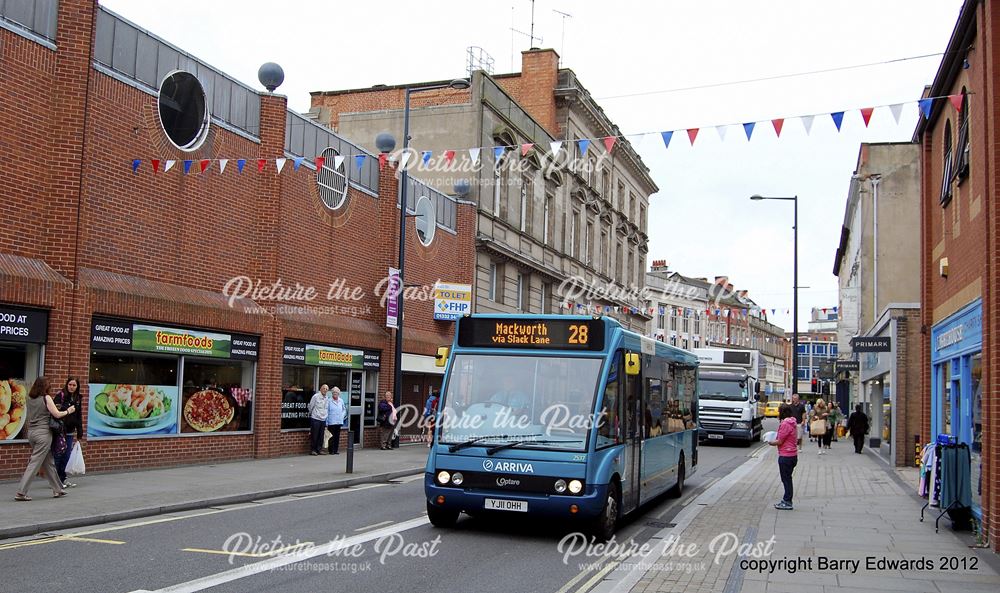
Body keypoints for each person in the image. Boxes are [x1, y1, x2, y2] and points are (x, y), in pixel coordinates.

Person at [15, 377, 74, 501]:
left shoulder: (30, 399)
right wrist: (68, 411)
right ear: (45, 386)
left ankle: (58, 489)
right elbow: (57, 414)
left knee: (49, 462)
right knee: (34, 463)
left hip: (31, 433)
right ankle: (21, 492)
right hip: (43, 434)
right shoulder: (46, 397)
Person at [53, 377, 83, 488]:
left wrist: (80, 431)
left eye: (74, 385)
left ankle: (63, 478)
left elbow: (79, 415)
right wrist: (67, 408)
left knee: (66, 456)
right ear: (67, 385)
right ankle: (56, 480)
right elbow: (55, 411)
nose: (71, 387)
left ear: (77, 387)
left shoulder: (78, 398)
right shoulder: (60, 396)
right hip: (60, 431)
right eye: (70, 384)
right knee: (58, 455)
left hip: (70, 431)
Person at [768, 403, 798, 510]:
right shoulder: (792, 422)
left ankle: (787, 501)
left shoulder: (785, 424)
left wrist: (770, 442)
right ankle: (787, 500)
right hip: (793, 455)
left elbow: (780, 441)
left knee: (786, 479)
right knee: (788, 478)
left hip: (786, 455)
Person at [307, 384, 329, 455]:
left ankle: (319, 449)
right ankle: (313, 450)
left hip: (323, 419)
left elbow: (326, 408)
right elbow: (311, 406)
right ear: (320, 389)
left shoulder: (327, 398)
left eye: (326, 389)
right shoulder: (315, 397)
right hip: (316, 418)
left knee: (321, 435)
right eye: (324, 388)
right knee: (314, 435)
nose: (325, 390)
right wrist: (312, 414)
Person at [326, 387, 347, 455]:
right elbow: (326, 411)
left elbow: (344, 409)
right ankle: (331, 450)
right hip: (331, 421)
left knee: (337, 436)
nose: (335, 394)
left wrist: (342, 415)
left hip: (338, 421)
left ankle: (336, 449)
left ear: (339, 394)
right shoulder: (329, 401)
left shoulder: (341, 400)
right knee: (331, 436)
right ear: (332, 393)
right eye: (334, 393)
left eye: (336, 393)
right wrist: (326, 422)